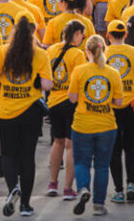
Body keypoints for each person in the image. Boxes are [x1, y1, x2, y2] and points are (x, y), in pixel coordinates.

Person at [0, 14, 53, 217]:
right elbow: (47, 85)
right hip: (30, 112)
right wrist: (35, 83)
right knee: (27, 157)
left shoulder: (3, 51)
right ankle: (25, 204)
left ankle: (12, 188)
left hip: (6, 111)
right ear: (34, 31)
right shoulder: (40, 54)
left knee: (7, 154)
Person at [68, 34, 123, 216]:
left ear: (87, 51)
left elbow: (73, 98)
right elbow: (119, 101)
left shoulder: (79, 71)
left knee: (82, 161)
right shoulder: (113, 73)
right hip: (106, 125)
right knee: (102, 165)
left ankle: (83, 188)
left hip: (82, 124)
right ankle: (99, 204)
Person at [104, 19, 134, 203]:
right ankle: (131, 183)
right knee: (131, 146)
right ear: (125, 35)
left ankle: (119, 190)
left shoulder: (104, 53)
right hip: (132, 105)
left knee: (114, 150)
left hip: (110, 106)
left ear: (108, 36)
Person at [45, 19, 86, 200]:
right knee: (71, 145)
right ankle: (68, 188)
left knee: (57, 142)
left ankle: (53, 183)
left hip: (53, 101)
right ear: (76, 34)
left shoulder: (51, 50)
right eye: (81, 35)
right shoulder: (78, 54)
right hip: (71, 102)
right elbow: (80, 80)